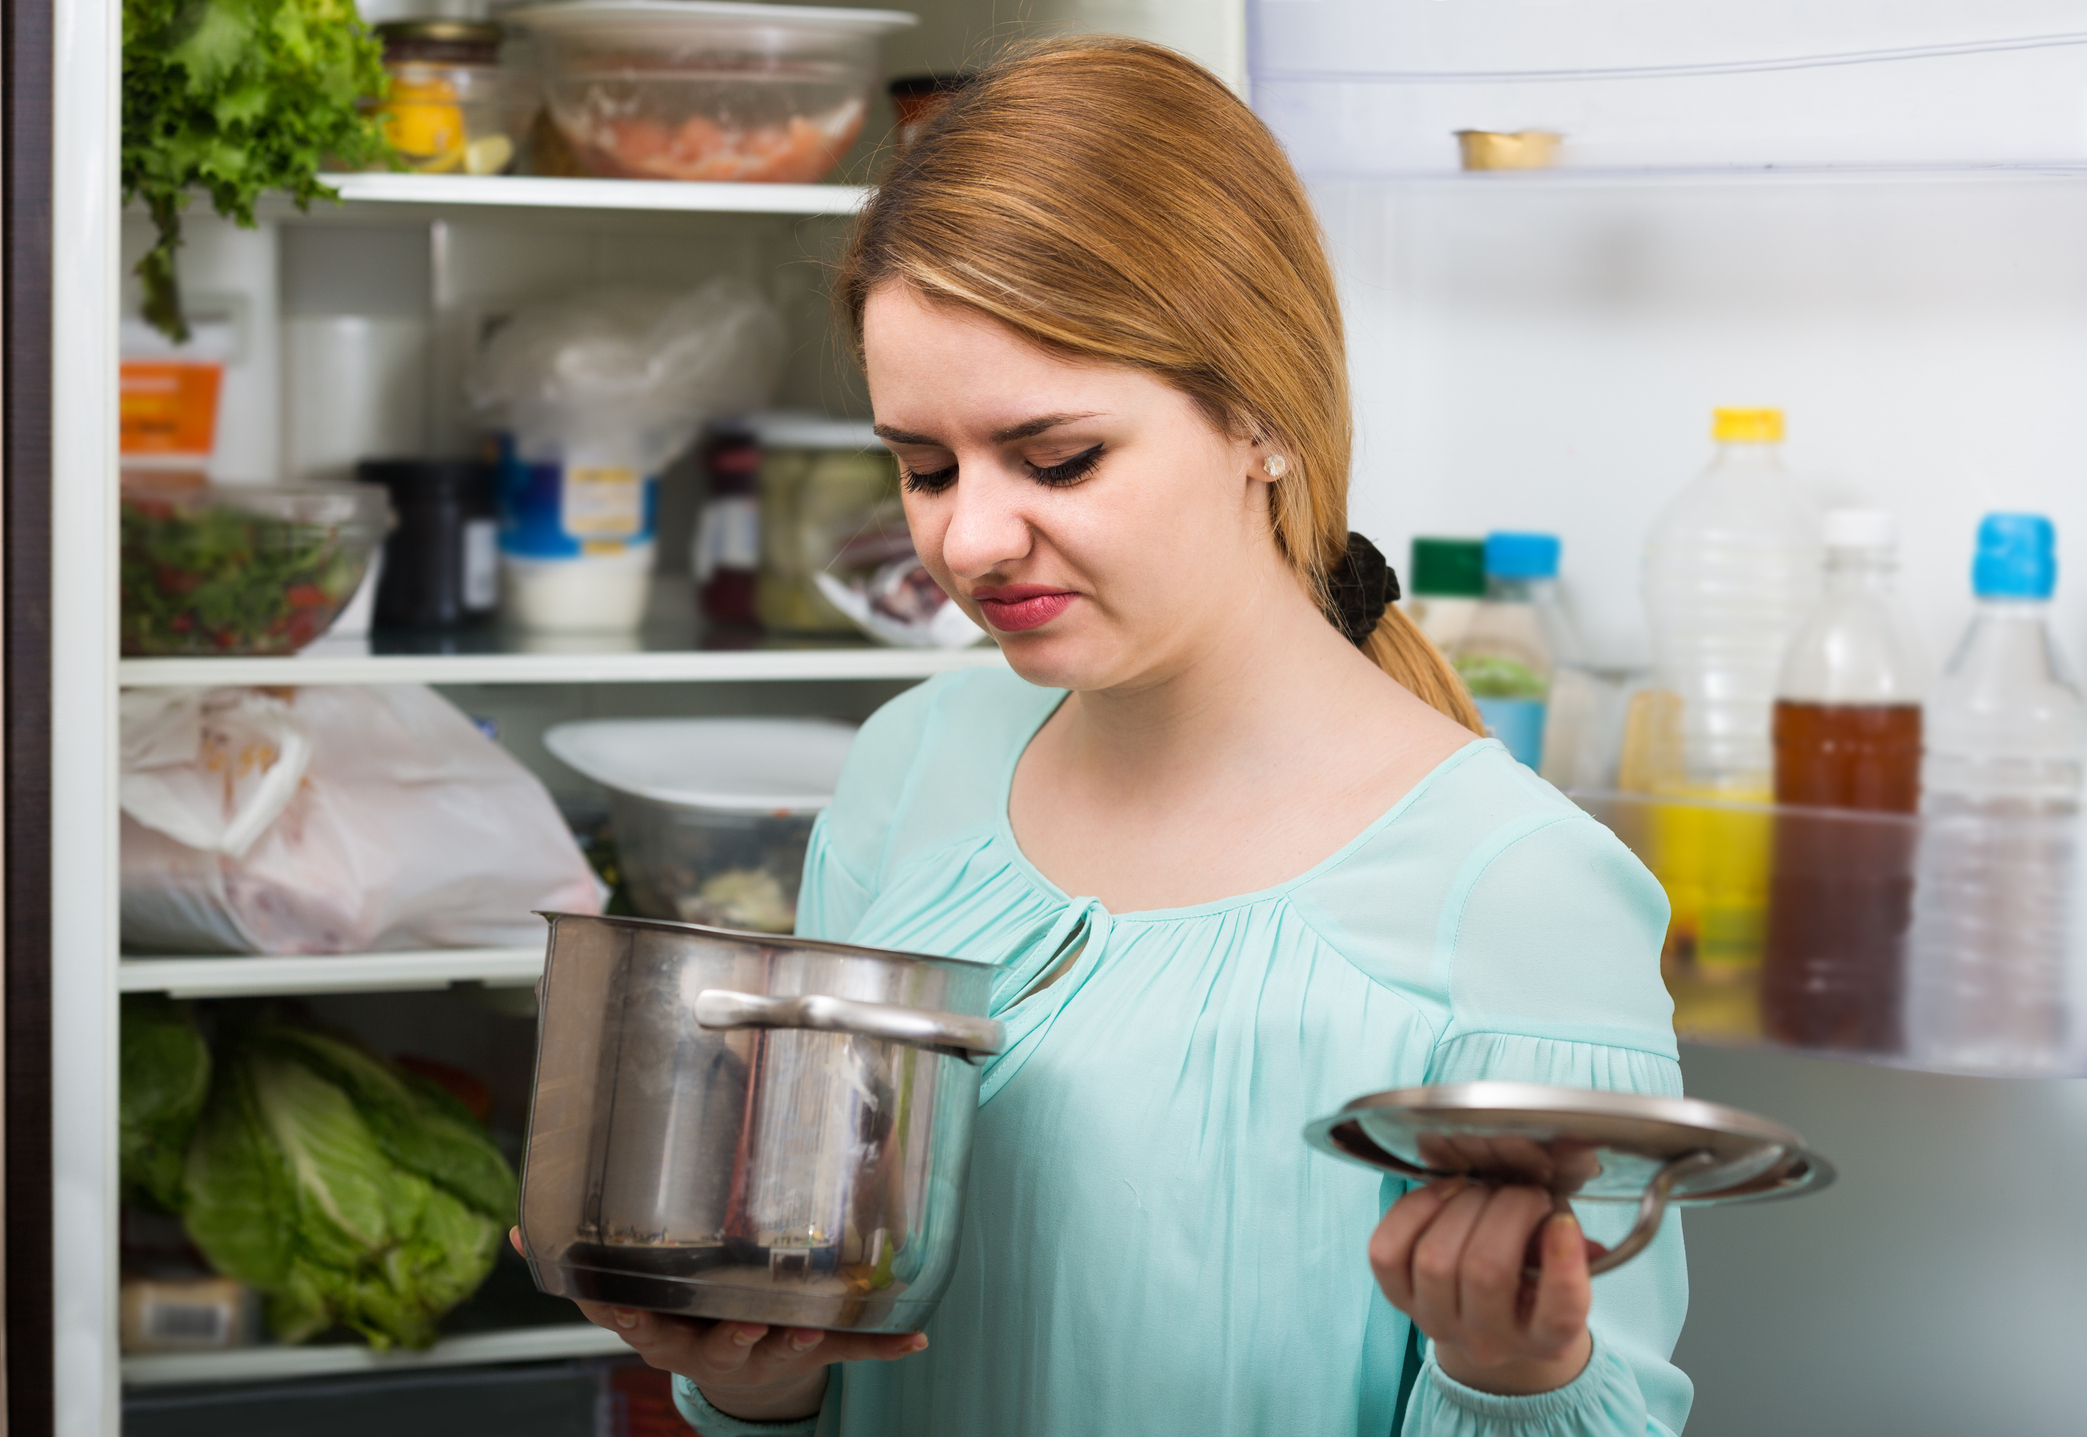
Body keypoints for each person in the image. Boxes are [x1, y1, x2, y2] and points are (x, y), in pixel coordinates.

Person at [568, 36, 1689, 1437]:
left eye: (1057, 458)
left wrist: (1510, 1378)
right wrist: (756, 1379)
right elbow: (820, 1342)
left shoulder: (1517, 892)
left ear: (1262, 414)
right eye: (921, 466)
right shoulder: (912, 765)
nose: (966, 538)